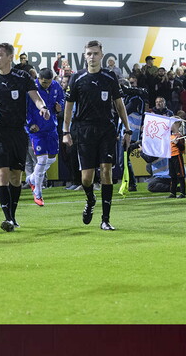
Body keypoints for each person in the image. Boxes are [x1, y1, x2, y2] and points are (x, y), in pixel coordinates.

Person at [0, 42, 52, 232]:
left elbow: (35, 97)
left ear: (10, 57)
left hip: (18, 132)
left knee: (16, 177)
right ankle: (8, 218)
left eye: (0, 54)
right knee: (2, 174)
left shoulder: (22, 77)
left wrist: (42, 107)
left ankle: (13, 215)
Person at [61, 40, 133, 231]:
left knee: (106, 171)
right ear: (84, 56)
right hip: (84, 131)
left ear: (102, 55)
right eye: (89, 53)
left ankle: (105, 219)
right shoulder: (76, 78)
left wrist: (127, 129)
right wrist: (66, 131)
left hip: (106, 130)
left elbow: (119, 105)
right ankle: (90, 199)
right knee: (87, 178)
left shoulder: (109, 77)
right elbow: (68, 108)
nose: (92, 56)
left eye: (95, 53)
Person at [24, 68, 66, 206]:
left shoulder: (56, 86)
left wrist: (60, 106)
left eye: (48, 82)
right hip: (36, 129)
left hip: (51, 127)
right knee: (41, 159)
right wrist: (30, 125)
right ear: (39, 78)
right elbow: (25, 108)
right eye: (43, 82)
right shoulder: (32, 88)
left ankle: (31, 178)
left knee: (52, 158)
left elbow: (62, 98)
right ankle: (38, 193)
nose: (46, 85)